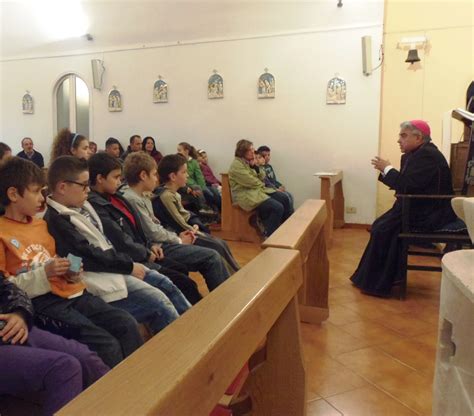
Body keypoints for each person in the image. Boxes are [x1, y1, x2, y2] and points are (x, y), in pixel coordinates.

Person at [0, 157, 143, 368]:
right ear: (13, 194)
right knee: (106, 344)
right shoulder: (2, 232)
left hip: (72, 291)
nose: (42, 198)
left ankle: (141, 380)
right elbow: (6, 289)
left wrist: (71, 270)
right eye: (36, 191)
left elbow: (54, 259)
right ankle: (119, 395)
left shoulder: (40, 225)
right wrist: (45, 274)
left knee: (126, 323)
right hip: (43, 302)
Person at [43, 156, 189, 336]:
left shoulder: (83, 205)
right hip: (98, 276)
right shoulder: (56, 221)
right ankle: (184, 347)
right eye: (83, 185)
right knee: (158, 302)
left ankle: (193, 329)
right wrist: (128, 266)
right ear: (63, 187)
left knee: (166, 284)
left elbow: (110, 238)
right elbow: (86, 255)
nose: (88, 190)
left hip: (114, 265)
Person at [350, 120, 458, 297]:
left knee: (383, 228)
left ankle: (379, 283)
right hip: (417, 207)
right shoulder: (414, 154)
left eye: (403, 135)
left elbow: (406, 185)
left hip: (430, 213)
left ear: (418, 137)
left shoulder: (427, 156)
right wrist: (389, 172)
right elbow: (407, 185)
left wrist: (388, 169)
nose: (399, 140)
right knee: (379, 226)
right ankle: (373, 279)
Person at [87, 152, 202, 305]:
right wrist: (148, 251)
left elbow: (137, 230)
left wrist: (150, 246)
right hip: (132, 259)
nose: (119, 181)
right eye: (115, 177)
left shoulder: (115, 197)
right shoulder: (100, 204)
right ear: (100, 179)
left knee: (182, 269)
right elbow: (121, 240)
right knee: (186, 281)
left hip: (146, 248)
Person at [121, 152, 231, 292]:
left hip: (160, 243)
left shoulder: (143, 195)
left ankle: (229, 290)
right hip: (159, 247)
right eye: (154, 174)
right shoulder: (132, 199)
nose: (157, 179)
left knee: (217, 247)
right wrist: (178, 240)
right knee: (212, 256)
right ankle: (226, 299)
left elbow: (153, 227)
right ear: (143, 176)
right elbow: (152, 231)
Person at [0, 276, 109, 416]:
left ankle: (124, 408)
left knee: (86, 358)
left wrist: (19, 313)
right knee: (64, 367)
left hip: (9, 327)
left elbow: (8, 287)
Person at [154, 154, 240, 273]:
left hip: (189, 230)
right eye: (184, 172)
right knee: (216, 246)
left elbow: (185, 215)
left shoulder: (174, 194)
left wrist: (196, 224)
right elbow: (177, 222)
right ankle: (233, 277)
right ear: (173, 176)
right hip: (182, 235)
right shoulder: (166, 196)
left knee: (221, 243)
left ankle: (237, 272)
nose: (187, 175)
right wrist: (195, 230)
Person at [228, 140, 292, 237]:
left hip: (257, 191)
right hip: (247, 195)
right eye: (251, 150)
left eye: (253, 150)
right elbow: (251, 181)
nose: (254, 153)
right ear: (243, 151)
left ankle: (284, 229)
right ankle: (269, 235)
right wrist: (262, 183)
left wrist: (256, 167)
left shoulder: (248, 162)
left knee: (284, 198)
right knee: (277, 207)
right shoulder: (236, 165)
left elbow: (262, 176)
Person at [178, 142, 221, 212]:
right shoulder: (179, 161)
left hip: (195, 184)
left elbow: (199, 176)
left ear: (186, 151)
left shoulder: (194, 162)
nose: (178, 152)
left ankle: (219, 209)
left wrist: (202, 186)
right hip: (187, 185)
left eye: (180, 150)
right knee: (201, 190)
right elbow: (183, 177)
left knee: (212, 191)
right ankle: (205, 208)